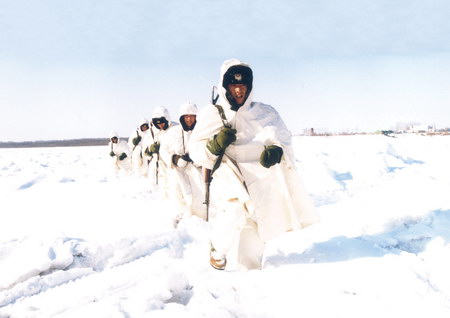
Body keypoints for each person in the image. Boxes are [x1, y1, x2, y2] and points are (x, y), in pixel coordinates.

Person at [189, 58, 319, 270]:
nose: (239, 91)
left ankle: (249, 267)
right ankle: (218, 247)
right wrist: (214, 146)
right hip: (227, 169)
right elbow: (196, 150)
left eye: (243, 86)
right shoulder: (212, 114)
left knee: (258, 217)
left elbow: (282, 138)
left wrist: (277, 151)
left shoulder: (265, 113)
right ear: (225, 86)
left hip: (258, 172)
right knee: (234, 208)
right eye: (234, 86)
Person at [165, 101, 207, 222]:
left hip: (196, 172)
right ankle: (180, 223)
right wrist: (174, 159)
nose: (189, 119)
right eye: (186, 116)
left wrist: (198, 159)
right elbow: (164, 150)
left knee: (198, 199)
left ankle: (199, 223)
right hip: (177, 173)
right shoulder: (173, 133)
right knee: (179, 198)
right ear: (182, 117)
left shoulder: (202, 132)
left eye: (192, 116)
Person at [142, 106, 178, 196]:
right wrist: (150, 150)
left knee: (175, 192)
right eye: (157, 123)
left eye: (162, 122)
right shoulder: (151, 133)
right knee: (160, 194)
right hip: (157, 168)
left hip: (173, 165)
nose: (160, 125)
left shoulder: (176, 128)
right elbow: (145, 153)